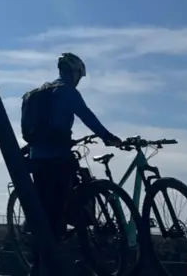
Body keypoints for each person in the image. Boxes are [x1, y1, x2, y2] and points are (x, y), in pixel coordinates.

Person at [20, 52, 121, 276]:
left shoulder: (43, 92)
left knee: (50, 204)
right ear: (73, 72)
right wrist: (108, 137)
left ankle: (46, 254)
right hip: (56, 157)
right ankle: (42, 265)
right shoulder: (66, 92)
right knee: (55, 213)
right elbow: (87, 115)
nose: (79, 79)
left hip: (37, 157)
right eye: (79, 75)